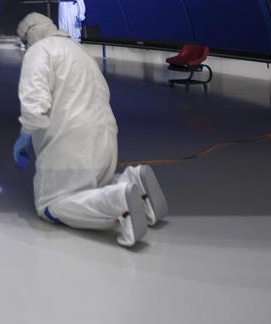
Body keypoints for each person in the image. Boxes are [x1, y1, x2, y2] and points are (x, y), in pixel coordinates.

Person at [11, 13, 167, 247]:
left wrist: (25, 133)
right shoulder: (79, 51)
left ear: (31, 34)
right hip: (106, 134)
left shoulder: (40, 50)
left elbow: (35, 97)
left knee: (51, 204)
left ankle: (119, 203)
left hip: (71, 143)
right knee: (92, 187)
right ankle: (131, 181)